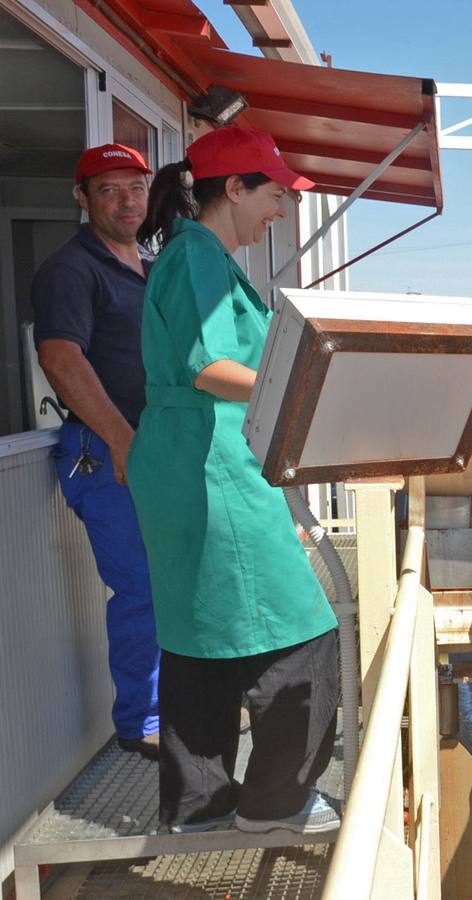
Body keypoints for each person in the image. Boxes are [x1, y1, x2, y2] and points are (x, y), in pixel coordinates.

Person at [130, 125, 339, 834]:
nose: (281, 210)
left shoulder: (201, 256)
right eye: (275, 193)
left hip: (191, 464)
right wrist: (310, 392)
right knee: (299, 633)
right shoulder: (196, 256)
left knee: (199, 634)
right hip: (209, 466)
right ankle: (276, 802)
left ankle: (198, 806)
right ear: (235, 188)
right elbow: (208, 364)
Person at [30, 144, 160, 759]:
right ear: (82, 200)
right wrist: (121, 438)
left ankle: (183, 701)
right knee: (143, 588)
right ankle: (144, 721)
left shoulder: (152, 267)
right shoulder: (71, 269)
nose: (126, 201)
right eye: (108, 190)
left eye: (135, 187)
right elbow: (60, 357)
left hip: (157, 451)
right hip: (107, 452)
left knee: (178, 581)